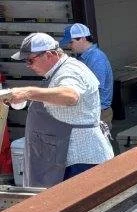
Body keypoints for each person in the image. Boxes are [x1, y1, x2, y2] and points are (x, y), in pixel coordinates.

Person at [5, 33, 114, 186]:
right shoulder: (56, 72)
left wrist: (28, 92)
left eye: (30, 60)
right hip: (65, 159)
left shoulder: (69, 71)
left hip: (79, 161)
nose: (28, 65)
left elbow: (70, 95)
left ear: (49, 54)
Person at [60, 23, 114, 126]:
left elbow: (95, 88)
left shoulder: (97, 58)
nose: (69, 46)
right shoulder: (82, 57)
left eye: (71, 42)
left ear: (83, 39)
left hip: (98, 113)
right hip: (90, 111)